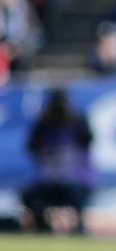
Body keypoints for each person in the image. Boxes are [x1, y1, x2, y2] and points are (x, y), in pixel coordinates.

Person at [19, 87, 95, 234]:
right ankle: (42, 224)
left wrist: (73, 119)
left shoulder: (78, 121)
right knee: (29, 195)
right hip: (51, 180)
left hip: (75, 180)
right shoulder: (44, 124)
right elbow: (31, 145)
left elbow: (90, 139)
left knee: (76, 195)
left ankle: (79, 227)